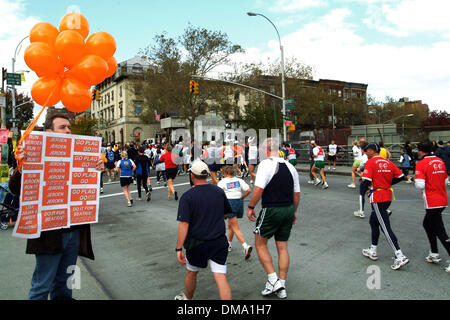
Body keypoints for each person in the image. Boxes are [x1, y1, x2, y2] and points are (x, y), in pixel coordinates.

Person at [9, 113, 99, 300]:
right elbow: (15, 188)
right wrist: (23, 167)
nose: (68, 130)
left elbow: (86, 191)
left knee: (65, 285)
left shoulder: (79, 154)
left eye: (69, 127)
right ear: (49, 131)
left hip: (73, 232)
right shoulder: (32, 154)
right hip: (48, 234)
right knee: (42, 286)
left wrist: (94, 170)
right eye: (62, 127)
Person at [247, 138, 300, 299]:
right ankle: (281, 284)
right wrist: (294, 211)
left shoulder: (266, 164)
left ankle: (272, 279)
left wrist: (251, 207)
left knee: (260, 243)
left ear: (266, 150)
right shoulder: (291, 167)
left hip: (272, 208)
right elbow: (296, 194)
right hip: (288, 208)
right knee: (282, 247)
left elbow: (258, 188)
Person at [175, 161, 233, 300]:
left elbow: (184, 224)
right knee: (220, 277)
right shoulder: (218, 191)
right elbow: (226, 214)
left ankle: (187, 298)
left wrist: (178, 248)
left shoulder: (188, 196)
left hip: (197, 242)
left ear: (192, 176)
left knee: (192, 272)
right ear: (207, 175)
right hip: (218, 240)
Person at [360, 142, 409, 270]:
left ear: (372, 151)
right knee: (373, 221)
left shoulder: (370, 163)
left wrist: (365, 188)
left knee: (385, 227)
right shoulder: (387, 162)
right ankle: (373, 249)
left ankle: (400, 255)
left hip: (377, 197)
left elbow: (366, 180)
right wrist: (387, 183)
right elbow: (401, 176)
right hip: (387, 195)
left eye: (367, 150)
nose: (366, 152)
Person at [414, 140, 450, 273]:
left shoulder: (422, 164)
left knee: (440, 231)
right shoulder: (440, 161)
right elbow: (446, 180)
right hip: (442, 199)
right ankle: (434, 253)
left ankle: (439, 253)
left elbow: (420, 185)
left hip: (432, 201)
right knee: (427, 224)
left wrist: (415, 180)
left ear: (421, 151)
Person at [217, 166, 252, 259]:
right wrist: (243, 197)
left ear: (225, 173)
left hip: (229, 203)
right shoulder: (239, 180)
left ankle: (245, 246)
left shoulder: (222, 182)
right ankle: (229, 244)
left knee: (235, 227)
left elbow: (218, 194)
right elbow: (248, 190)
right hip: (239, 202)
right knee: (231, 225)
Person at [354, 141, 369, 218]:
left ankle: (361, 211)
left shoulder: (365, 156)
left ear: (362, 149)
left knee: (362, 193)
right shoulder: (370, 155)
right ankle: (384, 209)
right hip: (371, 177)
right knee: (372, 193)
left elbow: (366, 166)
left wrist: (360, 169)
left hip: (367, 177)